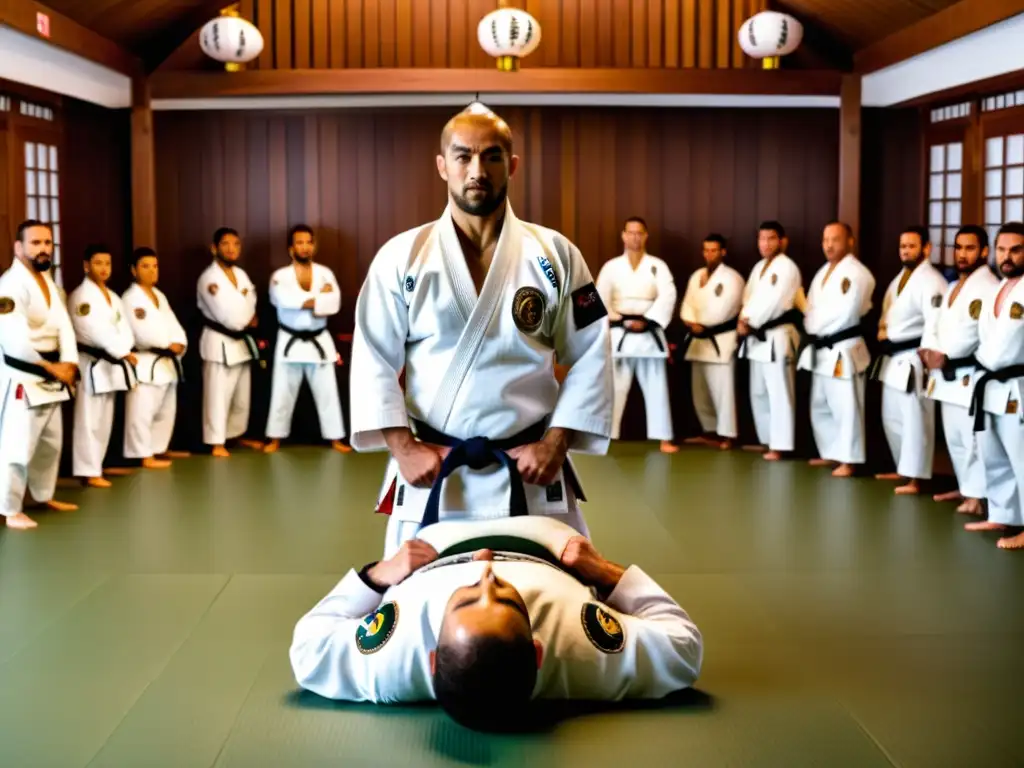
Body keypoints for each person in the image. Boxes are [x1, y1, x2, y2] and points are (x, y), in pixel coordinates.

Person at [349, 103, 613, 559]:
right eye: (462, 156)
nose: (477, 170)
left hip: (532, 468)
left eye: (491, 156)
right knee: (420, 614)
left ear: (511, 165)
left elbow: (592, 348)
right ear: (442, 166)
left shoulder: (555, 253)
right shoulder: (401, 256)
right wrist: (402, 447)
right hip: (435, 471)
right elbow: (373, 354)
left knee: (551, 605)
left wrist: (557, 441)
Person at [288, 516, 703, 731]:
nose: (485, 572)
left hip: (438, 537)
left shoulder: (391, 662)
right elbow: (684, 647)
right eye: (507, 598)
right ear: (538, 651)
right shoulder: (588, 657)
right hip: (544, 535)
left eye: (467, 599)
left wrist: (378, 574)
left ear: (432, 659)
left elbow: (308, 649)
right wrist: (605, 572)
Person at [0, 220, 80, 530]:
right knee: (18, 445)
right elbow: (12, 338)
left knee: (50, 443)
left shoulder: (50, 283)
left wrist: (70, 362)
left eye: (47, 242)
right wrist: (51, 367)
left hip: (53, 376)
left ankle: (43, 496)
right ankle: (9, 508)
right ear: (18, 248)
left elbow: (65, 327)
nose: (44, 248)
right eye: (35, 243)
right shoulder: (9, 285)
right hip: (24, 373)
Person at [920, 226, 998, 515]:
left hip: (968, 373)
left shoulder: (989, 286)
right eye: (958, 248)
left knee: (971, 440)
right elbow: (934, 323)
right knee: (953, 436)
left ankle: (977, 497)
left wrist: (945, 355)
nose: (962, 254)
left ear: (984, 252)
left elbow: (975, 332)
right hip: (945, 373)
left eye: (969, 248)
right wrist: (928, 350)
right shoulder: (953, 286)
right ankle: (964, 486)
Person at [869, 227, 949, 495]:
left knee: (916, 418)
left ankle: (916, 477)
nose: (906, 251)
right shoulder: (901, 279)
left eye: (912, 246)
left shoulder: (931, 280)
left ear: (926, 248)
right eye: (903, 246)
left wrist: (927, 357)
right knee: (893, 417)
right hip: (893, 357)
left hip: (914, 357)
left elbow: (935, 320)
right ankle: (903, 468)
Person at [797, 222, 876, 478]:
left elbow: (845, 313)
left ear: (850, 241)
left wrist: (813, 320)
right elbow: (811, 309)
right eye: (825, 240)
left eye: (835, 239)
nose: (829, 245)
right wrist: (812, 319)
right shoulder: (823, 272)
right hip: (822, 347)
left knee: (846, 405)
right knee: (821, 403)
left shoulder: (856, 273)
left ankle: (849, 459)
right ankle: (830, 451)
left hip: (843, 346)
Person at [263, 225, 349, 454]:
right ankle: (275, 438)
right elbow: (282, 300)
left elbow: (334, 304)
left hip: (318, 340)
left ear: (313, 245)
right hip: (289, 340)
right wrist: (317, 300)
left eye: (308, 242)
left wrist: (303, 301)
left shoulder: (325, 273)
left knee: (328, 392)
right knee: (282, 391)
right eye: (299, 242)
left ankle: (335, 438)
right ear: (291, 248)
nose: (304, 247)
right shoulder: (279, 276)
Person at [965, 221, 1024, 550]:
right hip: (990, 384)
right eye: (1002, 249)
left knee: (1022, 458)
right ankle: (1003, 513)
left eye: (1015, 250)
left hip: (1018, 383)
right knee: (996, 455)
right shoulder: (994, 291)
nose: (1007, 256)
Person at [596, 217, 678, 453]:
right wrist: (615, 318)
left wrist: (649, 320)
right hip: (620, 331)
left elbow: (668, 295)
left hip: (649, 332)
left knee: (657, 387)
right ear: (623, 235)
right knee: (614, 387)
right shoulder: (611, 267)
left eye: (639, 233)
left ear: (646, 236)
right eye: (630, 233)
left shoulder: (658, 266)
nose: (634, 237)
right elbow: (601, 296)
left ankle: (664, 438)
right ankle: (606, 435)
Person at [68, 245, 138, 488]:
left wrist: (125, 349)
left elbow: (126, 329)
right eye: (98, 263)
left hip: (112, 363)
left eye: (107, 263)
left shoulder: (113, 297)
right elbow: (94, 331)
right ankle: (87, 470)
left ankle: (97, 465)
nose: (104, 268)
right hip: (92, 363)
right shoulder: (82, 296)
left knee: (104, 418)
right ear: (86, 265)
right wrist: (121, 351)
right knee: (88, 419)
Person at [736, 221, 804, 461]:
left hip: (776, 335)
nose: (765, 244)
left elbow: (774, 301)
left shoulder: (786, 267)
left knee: (779, 392)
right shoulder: (759, 268)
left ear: (782, 241)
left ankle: (781, 445)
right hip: (756, 337)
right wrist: (743, 318)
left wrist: (749, 320)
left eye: (771, 239)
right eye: (762, 239)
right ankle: (767, 440)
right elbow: (748, 297)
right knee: (759, 392)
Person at [197, 227, 263, 457]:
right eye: (225, 244)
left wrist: (247, 318)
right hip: (220, 343)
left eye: (235, 244)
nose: (231, 248)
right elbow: (227, 315)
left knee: (240, 397)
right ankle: (216, 442)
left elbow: (251, 303)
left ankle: (235, 436)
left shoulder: (242, 275)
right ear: (214, 248)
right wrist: (246, 320)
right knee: (217, 396)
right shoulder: (209, 278)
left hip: (241, 345)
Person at [122, 247, 190, 469]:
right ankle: (142, 454)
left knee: (165, 410)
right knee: (142, 412)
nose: (152, 271)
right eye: (145, 266)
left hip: (166, 363)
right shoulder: (131, 298)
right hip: (146, 361)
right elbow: (142, 331)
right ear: (134, 270)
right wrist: (167, 344)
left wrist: (179, 343)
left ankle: (158, 448)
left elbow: (174, 325)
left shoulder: (159, 295)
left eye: (155, 266)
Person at [678, 234, 744, 449]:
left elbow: (726, 309)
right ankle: (709, 431)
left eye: (714, 250)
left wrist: (703, 323)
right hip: (698, 341)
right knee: (701, 390)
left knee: (723, 391)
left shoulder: (733, 278)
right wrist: (690, 321)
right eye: (706, 250)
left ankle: (728, 434)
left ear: (723, 252)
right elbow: (687, 303)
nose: (709, 254)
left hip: (720, 340)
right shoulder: (697, 276)